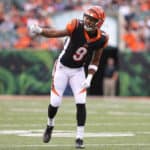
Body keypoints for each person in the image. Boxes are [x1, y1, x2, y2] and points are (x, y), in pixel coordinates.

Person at [28, 5, 109, 149]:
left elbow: (95, 60)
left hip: (78, 71)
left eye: (92, 19)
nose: (88, 21)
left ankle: (79, 138)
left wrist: (89, 78)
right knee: (55, 102)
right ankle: (50, 125)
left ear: (99, 22)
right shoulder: (76, 25)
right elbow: (56, 33)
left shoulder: (102, 38)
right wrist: (40, 31)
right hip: (62, 68)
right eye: (87, 18)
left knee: (81, 102)